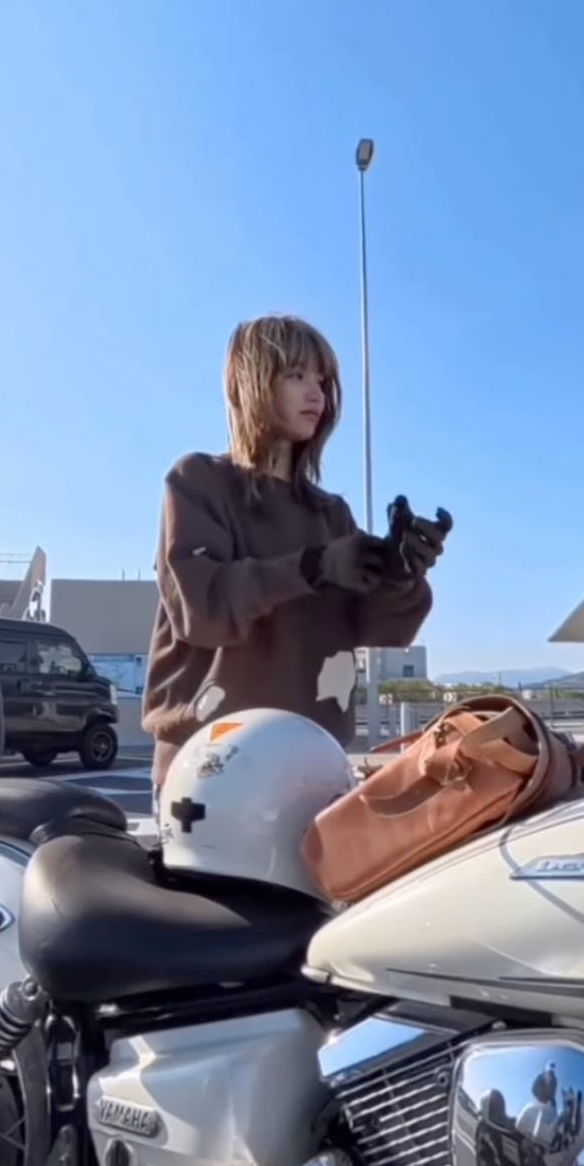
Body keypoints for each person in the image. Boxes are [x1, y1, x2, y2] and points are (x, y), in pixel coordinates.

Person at [143, 314, 446, 804]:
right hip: (208, 769)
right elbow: (202, 608)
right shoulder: (198, 482)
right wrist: (312, 568)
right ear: (253, 384)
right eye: (296, 375)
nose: (316, 393)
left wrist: (400, 574)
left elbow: (376, 630)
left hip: (314, 769)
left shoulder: (331, 514)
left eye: (322, 381)